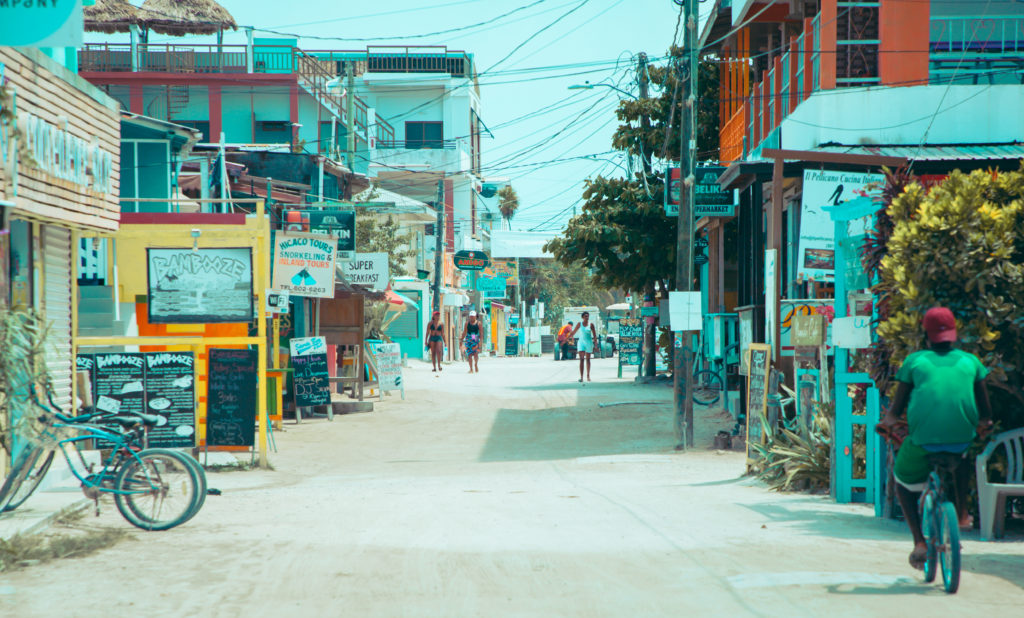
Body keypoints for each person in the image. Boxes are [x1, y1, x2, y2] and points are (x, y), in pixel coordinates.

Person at [878, 306, 992, 571]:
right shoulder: (971, 362)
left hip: (923, 441)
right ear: (954, 334)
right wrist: (983, 425)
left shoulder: (915, 362)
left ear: (925, 334)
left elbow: (896, 410)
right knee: (962, 456)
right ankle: (962, 513)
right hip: (961, 439)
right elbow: (986, 414)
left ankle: (919, 542)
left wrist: (886, 424)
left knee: (902, 482)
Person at [570, 311, 598, 383]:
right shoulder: (580, 324)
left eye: (588, 316)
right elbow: (574, 332)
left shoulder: (591, 325)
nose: (587, 317)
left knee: (588, 360)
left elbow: (594, 335)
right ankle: (581, 377)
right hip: (581, 343)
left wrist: (596, 345)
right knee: (581, 359)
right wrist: (568, 338)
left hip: (588, 343)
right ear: (582, 317)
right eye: (585, 316)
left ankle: (588, 375)